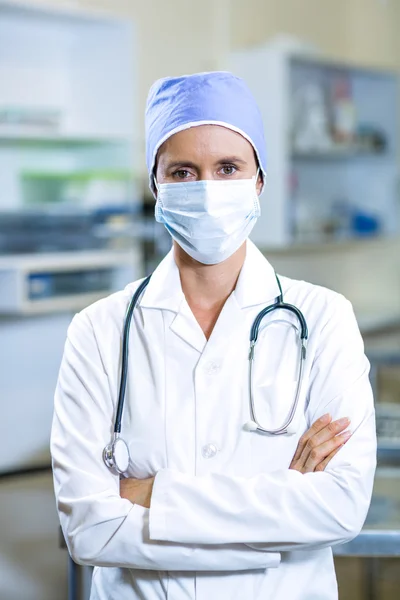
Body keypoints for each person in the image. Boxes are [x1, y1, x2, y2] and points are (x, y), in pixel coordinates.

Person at [51, 72, 376, 600]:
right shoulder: (99, 331)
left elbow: (339, 506)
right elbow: (88, 530)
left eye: (228, 167)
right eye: (183, 171)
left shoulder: (323, 318)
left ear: (259, 181)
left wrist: (152, 495)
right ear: (155, 186)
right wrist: (279, 514)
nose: (207, 189)